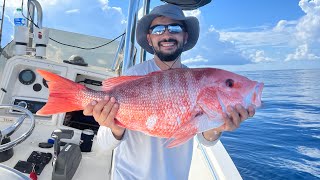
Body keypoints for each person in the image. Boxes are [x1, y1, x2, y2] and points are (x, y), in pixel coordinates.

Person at [83, 4, 255, 180]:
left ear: (185, 36)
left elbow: (205, 140)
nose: (166, 34)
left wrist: (218, 128)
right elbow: (103, 145)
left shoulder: (197, 81)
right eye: (158, 29)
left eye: (175, 28)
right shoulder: (133, 75)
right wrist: (114, 125)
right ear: (149, 39)